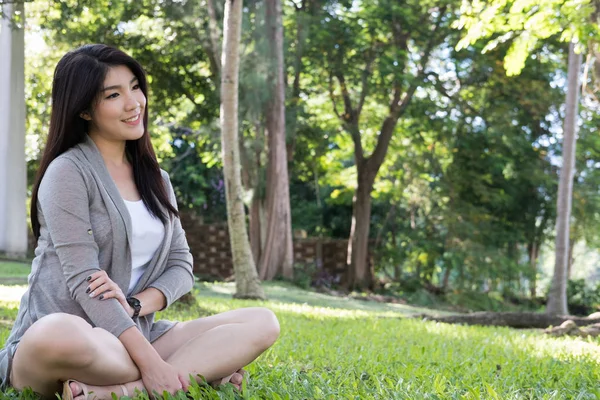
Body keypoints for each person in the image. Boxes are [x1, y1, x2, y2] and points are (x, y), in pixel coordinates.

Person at [0, 44, 280, 400]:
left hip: (134, 335)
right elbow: (85, 281)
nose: (134, 103)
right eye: (114, 94)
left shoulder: (157, 180)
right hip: (65, 342)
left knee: (261, 322)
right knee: (57, 331)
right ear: (84, 109)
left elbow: (182, 266)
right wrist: (153, 361)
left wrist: (135, 305)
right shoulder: (67, 172)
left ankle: (122, 391)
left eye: (135, 86)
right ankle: (197, 371)